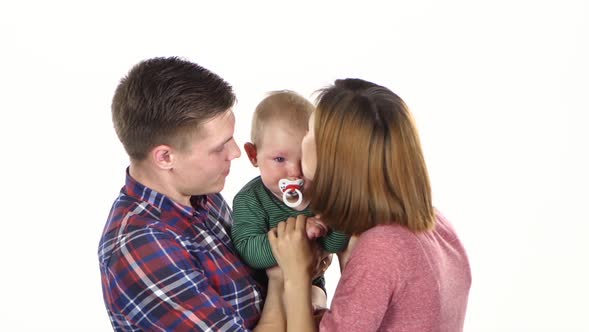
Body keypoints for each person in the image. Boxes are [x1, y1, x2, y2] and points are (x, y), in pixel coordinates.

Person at [98, 56, 302, 331]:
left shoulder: (203, 197)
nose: (236, 153)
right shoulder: (141, 245)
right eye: (219, 147)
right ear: (165, 157)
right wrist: (285, 276)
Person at [268, 78, 472, 331]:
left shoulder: (381, 248)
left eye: (309, 131)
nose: (302, 140)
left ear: (333, 157)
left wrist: (296, 275)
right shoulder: (436, 224)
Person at [231, 90, 349, 310]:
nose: (294, 171)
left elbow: (335, 244)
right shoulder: (250, 199)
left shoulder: (322, 194)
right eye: (279, 159)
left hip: (310, 284)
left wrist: (333, 221)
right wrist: (300, 230)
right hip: (261, 291)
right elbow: (249, 251)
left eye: (304, 158)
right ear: (253, 155)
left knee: (314, 303)